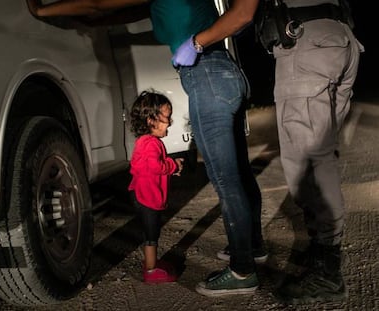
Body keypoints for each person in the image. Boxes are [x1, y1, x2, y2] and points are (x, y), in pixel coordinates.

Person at [27, 0, 266, 297]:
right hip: (222, 73)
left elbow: (96, 4)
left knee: (226, 180)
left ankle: (242, 270)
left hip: (206, 76)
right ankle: (252, 247)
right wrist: (91, 24)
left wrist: (40, 10)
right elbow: (119, 13)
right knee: (239, 173)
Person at [256, 0, 364, 305]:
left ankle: (327, 273)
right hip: (339, 36)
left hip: (306, 42)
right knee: (323, 155)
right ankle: (322, 254)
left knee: (309, 162)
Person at [128, 90, 184, 283]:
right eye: (166, 118)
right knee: (152, 234)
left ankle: (151, 264)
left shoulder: (145, 142)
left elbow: (149, 165)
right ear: (151, 120)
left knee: (150, 232)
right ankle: (151, 270)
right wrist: (173, 165)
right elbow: (155, 166)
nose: (169, 122)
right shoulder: (151, 143)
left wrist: (170, 165)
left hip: (140, 194)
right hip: (147, 197)